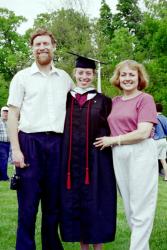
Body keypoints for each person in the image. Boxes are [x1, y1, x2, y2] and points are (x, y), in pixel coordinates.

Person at [7, 28, 73, 250]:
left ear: (54, 46)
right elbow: (13, 115)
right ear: (32, 48)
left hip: (58, 145)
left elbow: (77, 112)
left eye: (46, 43)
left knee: (53, 205)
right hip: (30, 143)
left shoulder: (65, 78)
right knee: (28, 205)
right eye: (37, 44)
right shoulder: (22, 77)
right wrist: (16, 150)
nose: (42, 47)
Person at [94, 60, 158, 250]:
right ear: (118, 78)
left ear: (139, 78)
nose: (127, 78)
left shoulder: (145, 99)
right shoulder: (114, 102)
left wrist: (113, 140)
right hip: (119, 155)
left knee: (141, 208)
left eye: (132, 75)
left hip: (140, 152)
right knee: (130, 209)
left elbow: (143, 132)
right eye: (124, 75)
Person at [60, 55, 117, 250]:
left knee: (96, 203)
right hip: (70, 162)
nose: (84, 76)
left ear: (93, 75)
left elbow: (113, 128)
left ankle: (98, 248)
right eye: (81, 72)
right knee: (76, 203)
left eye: (88, 73)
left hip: (96, 162)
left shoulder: (104, 101)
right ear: (74, 73)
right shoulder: (66, 98)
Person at [154, 103, 167, 181]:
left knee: (152, 159)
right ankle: (166, 177)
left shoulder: (153, 118)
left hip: (156, 140)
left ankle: (153, 176)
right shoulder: (165, 118)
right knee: (163, 160)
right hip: (164, 140)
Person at [0, 106, 10, 181]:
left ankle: (3, 176)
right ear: (1, 113)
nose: (5, 114)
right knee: (4, 160)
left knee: (4, 160)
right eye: (4, 112)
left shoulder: (10, 122)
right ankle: (4, 177)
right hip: (1, 143)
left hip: (8, 144)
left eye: (7, 112)